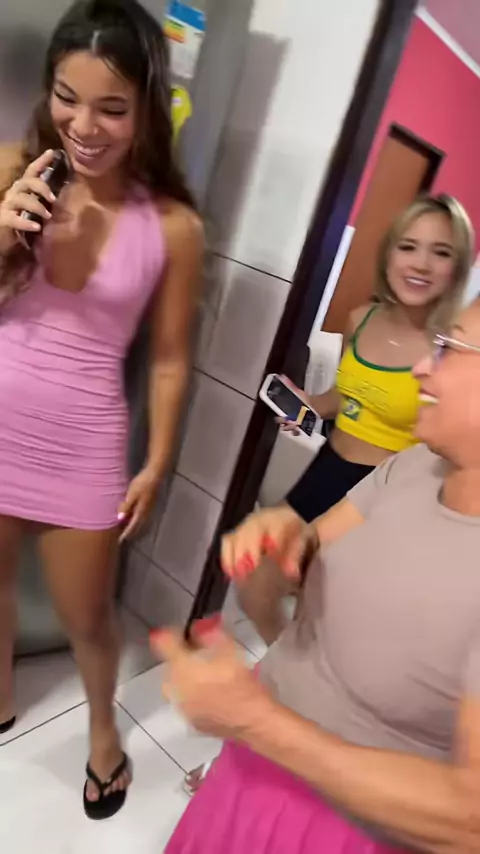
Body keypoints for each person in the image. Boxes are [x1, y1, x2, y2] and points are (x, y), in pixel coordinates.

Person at [155, 296, 480, 854]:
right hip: (258, 761)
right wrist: (280, 538)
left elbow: (469, 820)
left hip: (347, 826)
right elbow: (311, 547)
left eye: (450, 348)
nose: (423, 366)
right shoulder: (415, 465)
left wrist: (255, 721)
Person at [184, 194, 474, 796]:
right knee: (260, 579)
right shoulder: (362, 317)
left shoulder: (449, 352)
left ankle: (293, 727)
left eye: (440, 252)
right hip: (327, 471)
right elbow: (348, 394)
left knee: (338, 624)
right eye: (408, 246)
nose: (420, 263)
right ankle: (284, 693)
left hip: (380, 494)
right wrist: (308, 405)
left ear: (459, 265)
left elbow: (440, 450)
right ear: (388, 252)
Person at [0, 0, 204, 821]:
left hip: (84, 441)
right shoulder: (13, 169)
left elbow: (169, 357)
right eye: (67, 98)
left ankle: (103, 737)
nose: (84, 127)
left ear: (148, 108)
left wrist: (156, 461)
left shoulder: (175, 226)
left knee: (89, 618)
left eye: (112, 107)